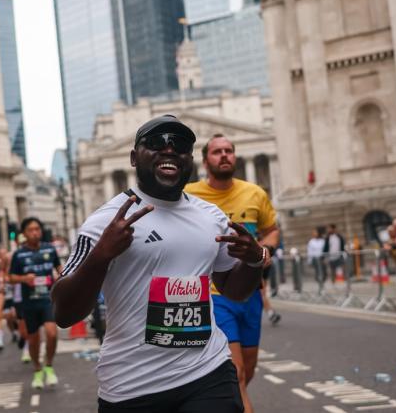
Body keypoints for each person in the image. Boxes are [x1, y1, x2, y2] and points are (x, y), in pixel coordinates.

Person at [53, 115, 269, 413]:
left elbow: (233, 290)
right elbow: (64, 312)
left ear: (189, 160)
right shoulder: (104, 222)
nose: (168, 149)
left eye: (179, 144)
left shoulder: (212, 217)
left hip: (208, 372)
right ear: (133, 157)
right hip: (132, 386)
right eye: (156, 142)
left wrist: (255, 259)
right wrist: (101, 254)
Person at [185, 133, 280, 413]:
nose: (224, 155)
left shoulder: (254, 193)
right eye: (217, 152)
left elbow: (271, 230)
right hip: (214, 294)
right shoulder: (189, 195)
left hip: (251, 291)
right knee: (236, 372)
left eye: (229, 150)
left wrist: (263, 251)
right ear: (205, 161)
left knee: (248, 370)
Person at [9, 217, 62, 389]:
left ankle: (49, 366)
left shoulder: (49, 249)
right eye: (31, 230)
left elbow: (59, 268)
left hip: (47, 299)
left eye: (37, 229)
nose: (35, 232)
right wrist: (24, 278)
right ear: (24, 233)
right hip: (29, 302)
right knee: (33, 340)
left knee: (52, 333)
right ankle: (37, 370)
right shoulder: (19, 254)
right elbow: (11, 277)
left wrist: (66, 276)